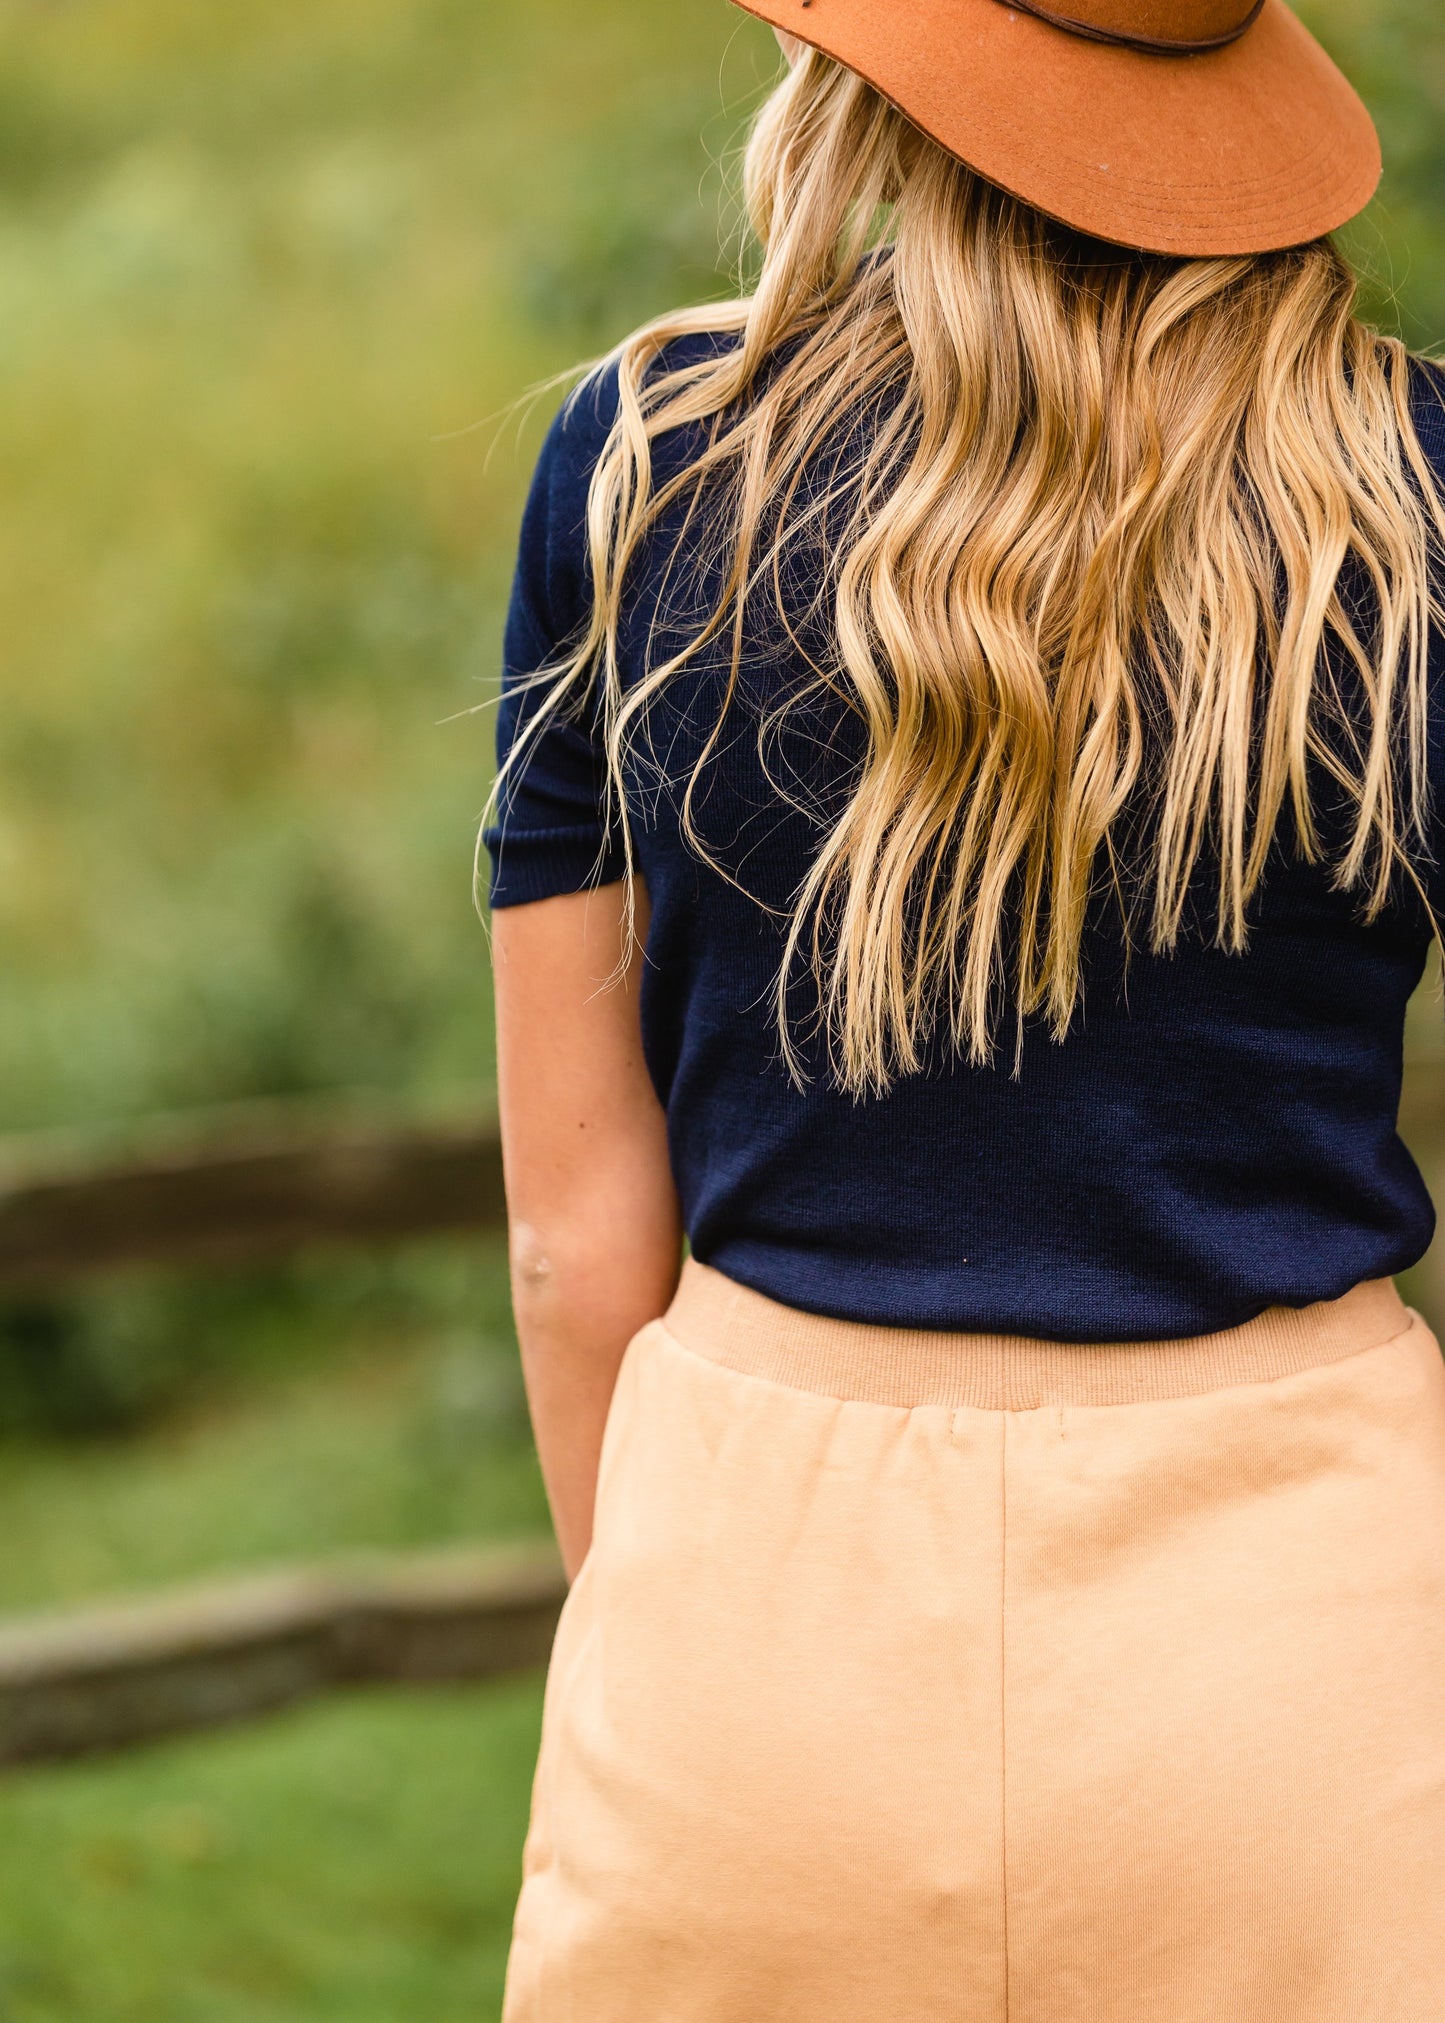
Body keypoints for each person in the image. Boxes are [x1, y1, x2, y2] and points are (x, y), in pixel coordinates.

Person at [484, 1, 1445, 2014]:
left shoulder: (638, 463)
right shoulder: (1414, 487)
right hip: (1309, 1645)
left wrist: (669, 1644)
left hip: (750, 1631)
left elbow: (575, 1249)